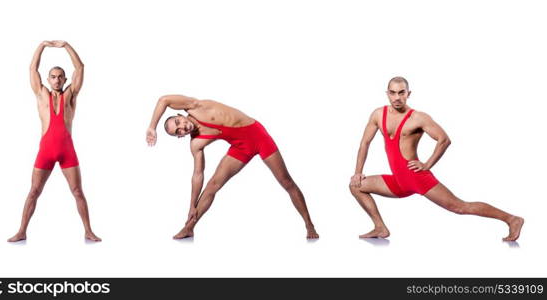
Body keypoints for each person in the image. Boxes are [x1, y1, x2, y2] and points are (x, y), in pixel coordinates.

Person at [349, 76, 523, 241]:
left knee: (459, 207)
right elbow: (365, 143)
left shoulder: (418, 118)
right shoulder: (378, 114)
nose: (397, 97)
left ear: (408, 94)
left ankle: (511, 219)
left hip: (416, 177)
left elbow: (444, 139)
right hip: (398, 182)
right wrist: (358, 172)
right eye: (393, 93)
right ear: (387, 93)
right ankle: (380, 227)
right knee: (355, 186)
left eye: (401, 92)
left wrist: (426, 165)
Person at [146, 95, 319, 239]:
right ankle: (190, 227)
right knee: (212, 185)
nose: (182, 128)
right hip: (240, 147)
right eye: (179, 132)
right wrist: (192, 205)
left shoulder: (196, 107)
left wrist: (152, 127)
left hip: (257, 135)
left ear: (180, 115)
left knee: (286, 181)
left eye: (178, 122)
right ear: (180, 137)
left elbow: (164, 100)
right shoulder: (196, 144)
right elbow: (198, 174)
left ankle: (309, 225)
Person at [8, 41, 101, 242]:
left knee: (77, 191)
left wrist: (66, 45)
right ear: (48, 79)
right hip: (46, 152)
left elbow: (80, 67)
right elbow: (33, 68)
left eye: (60, 76)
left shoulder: (70, 95)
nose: (57, 80)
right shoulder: (41, 94)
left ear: (65, 79)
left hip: (67, 152)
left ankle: (88, 230)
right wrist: (42, 45)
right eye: (53, 77)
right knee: (33, 191)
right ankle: (22, 231)